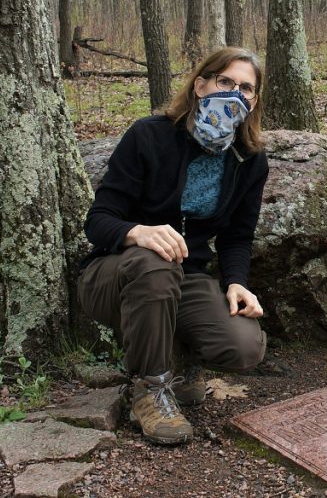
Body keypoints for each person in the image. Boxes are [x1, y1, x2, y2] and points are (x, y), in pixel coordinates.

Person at [78, 47, 269, 445]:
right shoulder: (148, 136)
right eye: (225, 82)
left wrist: (236, 281)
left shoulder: (248, 159)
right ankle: (149, 389)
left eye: (245, 89)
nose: (234, 95)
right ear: (201, 85)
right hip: (115, 274)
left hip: (186, 275)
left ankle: (178, 362)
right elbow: (97, 221)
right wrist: (137, 232)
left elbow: (237, 235)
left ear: (254, 101)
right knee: (154, 264)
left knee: (244, 346)